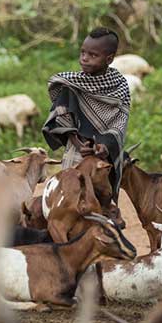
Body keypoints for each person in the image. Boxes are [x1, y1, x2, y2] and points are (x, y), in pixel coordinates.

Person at [42, 27, 131, 196]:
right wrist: (78, 143)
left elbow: (120, 122)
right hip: (75, 153)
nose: (84, 59)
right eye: (83, 52)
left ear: (109, 59)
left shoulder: (120, 85)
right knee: (72, 199)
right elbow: (62, 117)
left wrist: (105, 146)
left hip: (105, 159)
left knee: (102, 204)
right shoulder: (72, 85)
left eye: (93, 55)